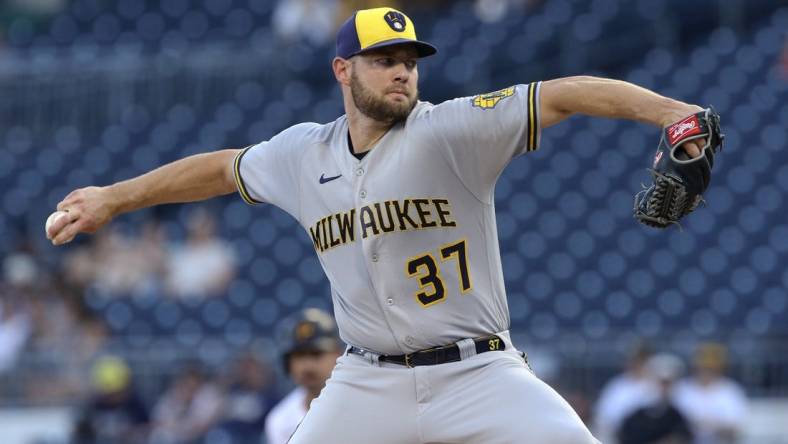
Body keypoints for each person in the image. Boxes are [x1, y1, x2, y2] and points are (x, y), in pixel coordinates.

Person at [47, 6, 711, 443]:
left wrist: (671, 112)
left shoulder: (453, 130)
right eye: (384, 59)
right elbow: (221, 170)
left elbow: (562, 94)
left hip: (479, 373)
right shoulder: (302, 153)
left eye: (410, 60)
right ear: (343, 70)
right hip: (368, 380)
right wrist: (115, 198)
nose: (401, 70)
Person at [265, 308, 344, 444]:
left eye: (316, 354)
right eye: (299, 356)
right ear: (288, 363)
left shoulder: (362, 402)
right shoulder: (281, 420)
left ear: (338, 355)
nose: (307, 365)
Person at [673, 343, 747, 444]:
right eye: (702, 366)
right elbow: (672, 424)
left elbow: (735, 429)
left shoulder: (731, 390)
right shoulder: (682, 389)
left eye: (710, 367)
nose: (705, 371)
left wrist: (710, 426)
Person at [617, 353, 693, 444]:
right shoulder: (634, 406)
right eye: (662, 382)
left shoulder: (682, 407)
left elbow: (686, 435)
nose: (664, 387)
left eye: (668, 383)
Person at [593, 341, 659, 443]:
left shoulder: (656, 386)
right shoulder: (616, 386)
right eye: (635, 359)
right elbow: (603, 418)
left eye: (642, 360)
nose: (637, 364)